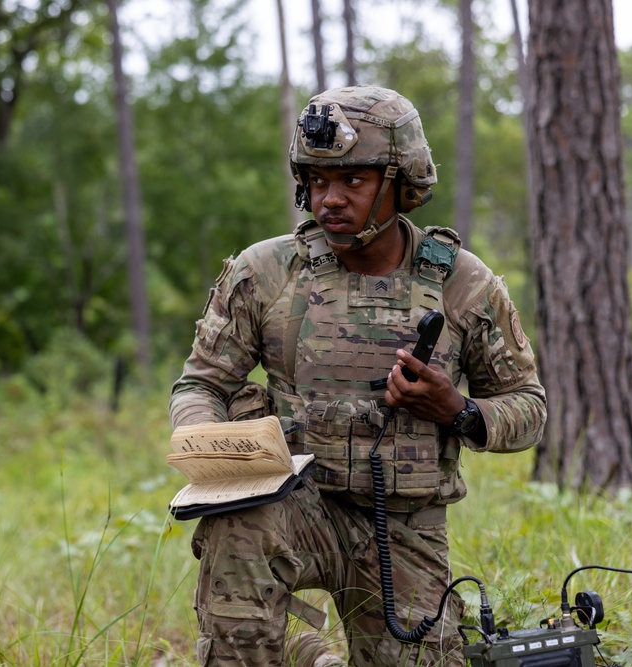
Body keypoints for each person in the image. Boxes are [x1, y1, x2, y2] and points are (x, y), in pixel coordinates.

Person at [169, 85, 547, 667]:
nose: (331, 200)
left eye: (353, 180)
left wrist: (458, 410)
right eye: (318, 181)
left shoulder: (462, 284)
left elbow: (528, 407)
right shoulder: (265, 272)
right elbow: (202, 384)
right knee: (236, 524)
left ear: (402, 182)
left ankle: (307, 654)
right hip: (292, 504)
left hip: (403, 524)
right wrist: (212, 448)